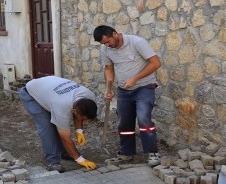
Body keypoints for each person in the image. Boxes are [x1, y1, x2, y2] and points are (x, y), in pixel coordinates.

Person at [93, 25, 162, 166]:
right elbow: (108, 68)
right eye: (103, 44)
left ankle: (152, 153)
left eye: (108, 41)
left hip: (144, 87)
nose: (107, 45)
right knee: (124, 122)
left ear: (115, 34)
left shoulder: (137, 42)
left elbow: (156, 63)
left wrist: (135, 78)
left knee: (143, 119)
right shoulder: (106, 49)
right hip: (123, 90)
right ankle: (126, 153)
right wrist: (109, 88)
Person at [19, 76, 98, 172]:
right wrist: (80, 159)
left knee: (59, 124)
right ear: (74, 110)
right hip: (31, 95)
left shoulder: (89, 97)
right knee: (47, 127)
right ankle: (53, 162)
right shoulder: (62, 107)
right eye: (82, 119)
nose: (84, 121)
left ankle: (64, 152)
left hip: (49, 91)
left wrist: (79, 131)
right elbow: (65, 138)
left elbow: (79, 114)